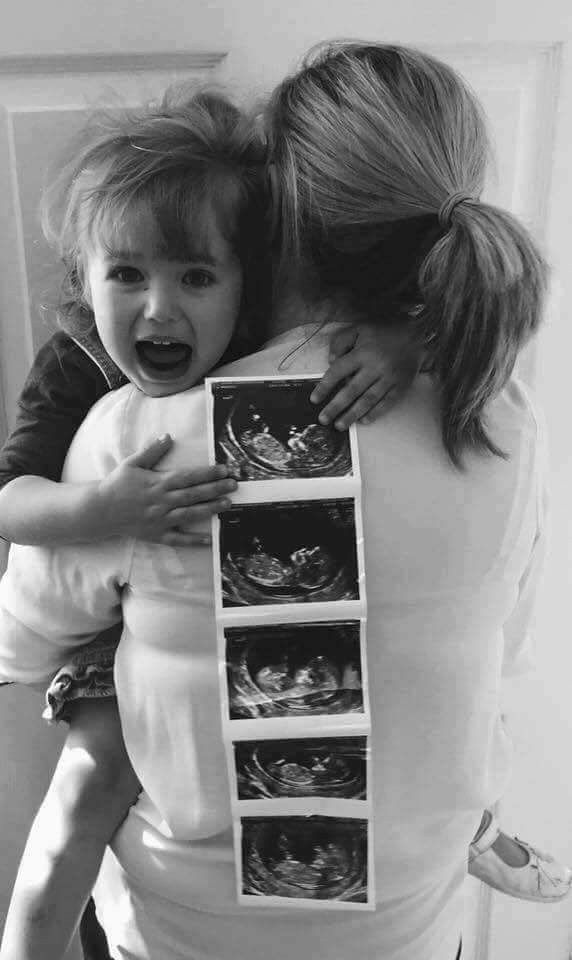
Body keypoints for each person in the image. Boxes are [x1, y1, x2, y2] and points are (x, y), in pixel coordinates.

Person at [0, 40, 564, 960]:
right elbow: (503, 643)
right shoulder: (501, 420)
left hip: (183, 934)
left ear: (274, 221)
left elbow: (20, 645)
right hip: (410, 935)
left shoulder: (136, 433)